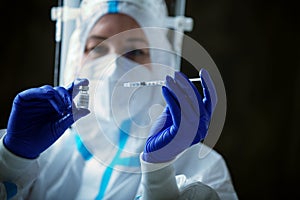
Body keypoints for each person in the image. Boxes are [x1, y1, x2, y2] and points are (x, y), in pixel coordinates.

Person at [0, 0, 238, 199]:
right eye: (97, 49)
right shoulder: (46, 156)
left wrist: (159, 177)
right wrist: (11, 161)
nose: (113, 67)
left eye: (134, 52)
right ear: (75, 60)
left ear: (161, 65)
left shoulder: (202, 167)